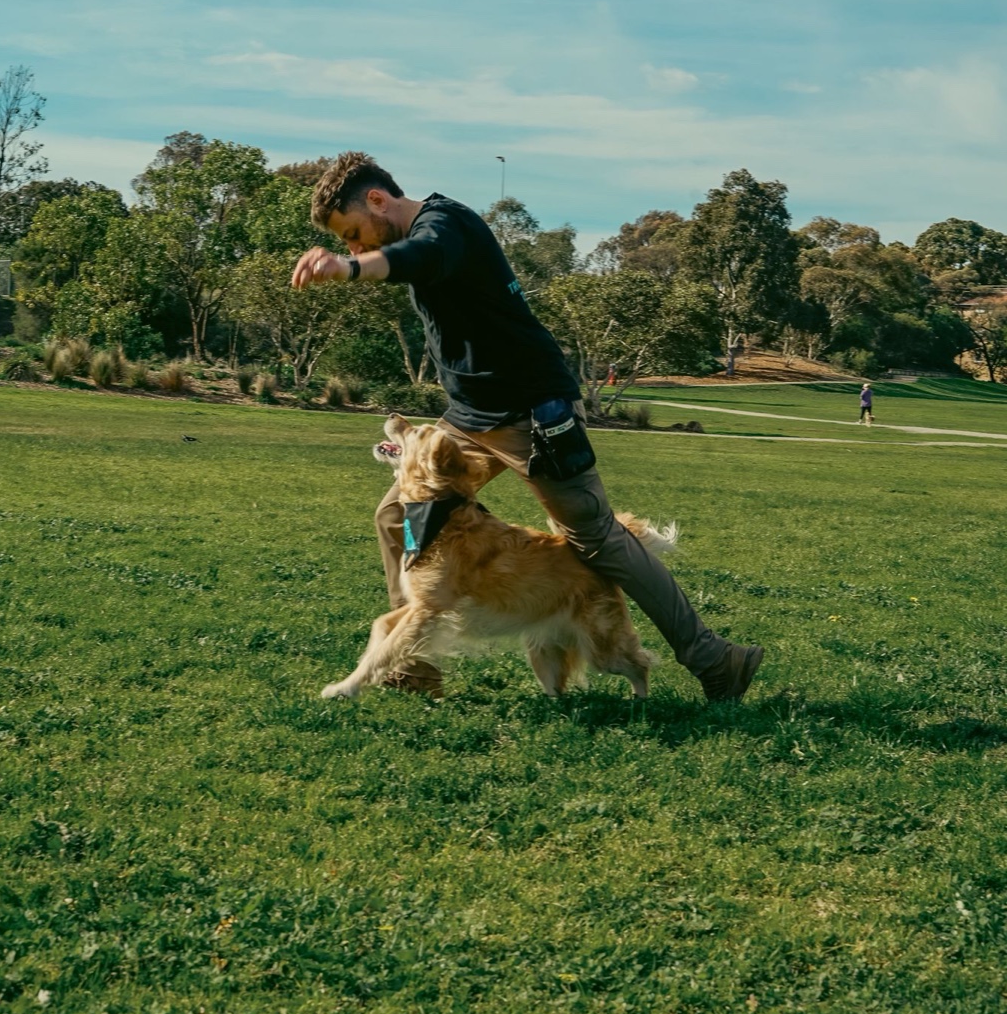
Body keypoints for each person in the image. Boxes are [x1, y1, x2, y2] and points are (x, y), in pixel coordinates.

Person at [291, 152, 764, 703]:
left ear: (377, 200)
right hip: (470, 416)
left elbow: (419, 256)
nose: (355, 247)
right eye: (346, 244)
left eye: (353, 234)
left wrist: (349, 269)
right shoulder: (418, 239)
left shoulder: (447, 225)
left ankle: (716, 661)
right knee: (397, 514)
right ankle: (409, 664)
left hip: (532, 412)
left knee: (599, 540)